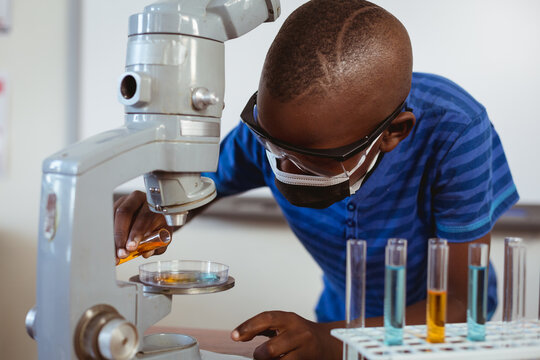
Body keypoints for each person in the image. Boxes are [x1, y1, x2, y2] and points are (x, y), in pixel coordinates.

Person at [113, 1, 519, 359]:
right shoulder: (271, 133)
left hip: (437, 340)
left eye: (312, 161)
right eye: (274, 147)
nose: (284, 168)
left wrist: (334, 342)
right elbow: (192, 189)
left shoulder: (457, 133)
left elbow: (462, 306)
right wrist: (156, 207)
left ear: (395, 132)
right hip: (335, 324)